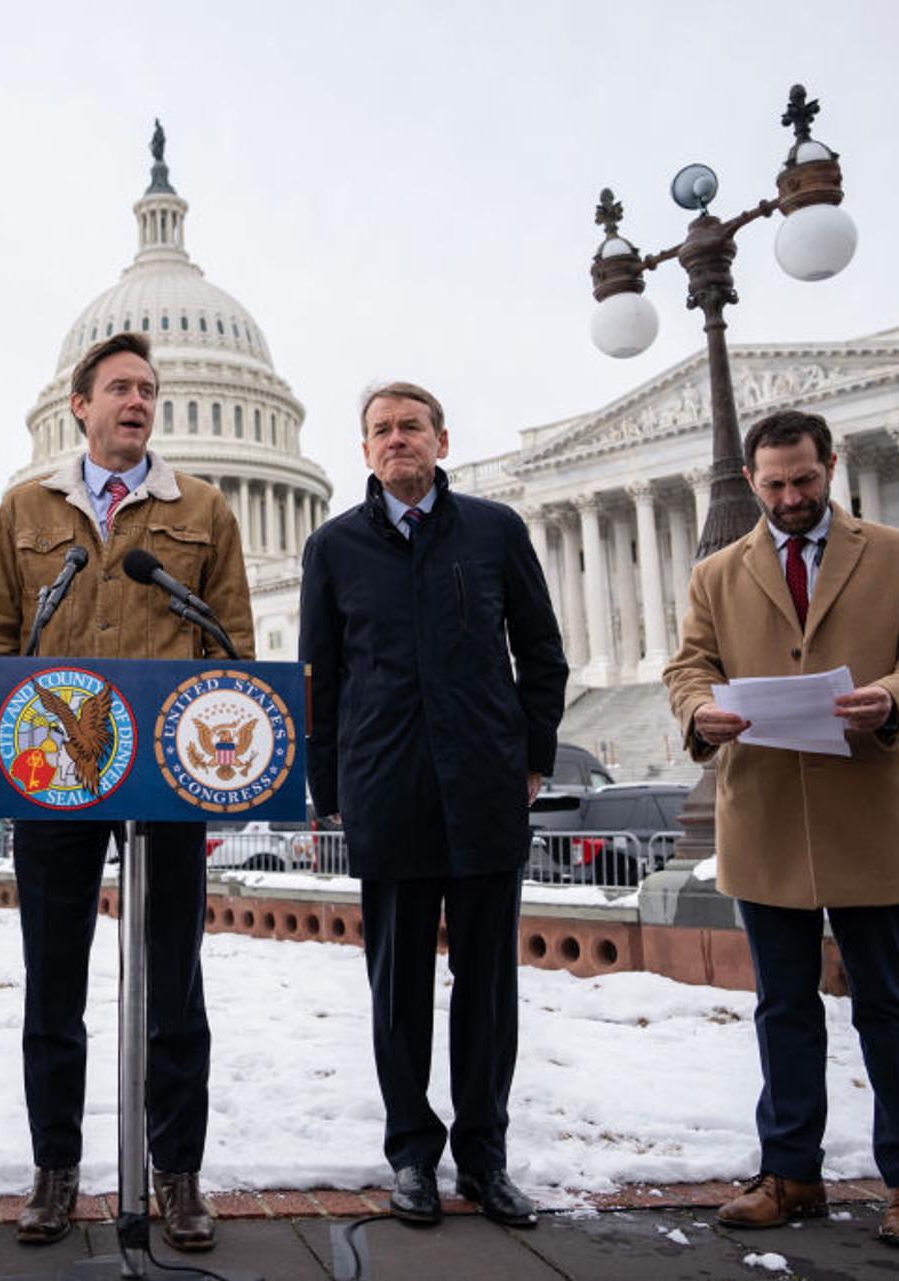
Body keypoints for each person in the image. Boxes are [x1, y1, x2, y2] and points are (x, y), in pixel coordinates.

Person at [0, 332, 253, 1252]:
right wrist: (19, 721)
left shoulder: (203, 509)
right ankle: (56, 1169)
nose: (137, 401)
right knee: (54, 980)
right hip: (58, 769)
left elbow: (230, 642)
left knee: (176, 981)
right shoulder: (25, 508)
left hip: (166, 776)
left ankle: (177, 1173)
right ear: (80, 406)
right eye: (120, 388)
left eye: (149, 390)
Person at [662, 409, 899, 1251]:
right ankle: (789, 1172)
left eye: (803, 480)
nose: (790, 497)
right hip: (764, 813)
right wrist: (701, 709)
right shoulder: (719, 572)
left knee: (888, 1007)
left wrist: (897, 697)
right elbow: (690, 665)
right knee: (783, 1007)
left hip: (867, 808)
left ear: (831, 465)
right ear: (753, 483)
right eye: (773, 485)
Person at [299, 381, 567, 1230]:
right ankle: (412, 1154)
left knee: (487, 988)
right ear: (365, 450)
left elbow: (543, 652)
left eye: (411, 427)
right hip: (389, 789)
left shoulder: (495, 531)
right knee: (399, 990)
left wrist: (531, 755)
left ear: (440, 440)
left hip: (485, 787)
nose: (397, 440)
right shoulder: (333, 547)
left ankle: (485, 1158)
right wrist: (329, 787)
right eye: (381, 430)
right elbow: (321, 679)